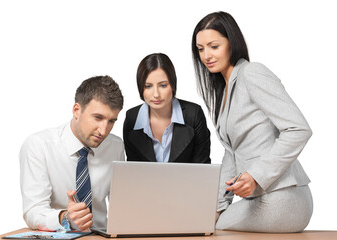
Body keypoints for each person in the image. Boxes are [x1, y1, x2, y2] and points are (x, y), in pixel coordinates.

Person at [191, 12, 313, 232]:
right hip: (259, 200)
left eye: (214, 46)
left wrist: (256, 176)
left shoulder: (252, 73)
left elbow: (298, 129)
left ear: (232, 44)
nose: (206, 55)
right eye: (200, 49)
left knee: (211, 229)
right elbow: (232, 154)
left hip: (283, 197)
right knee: (205, 222)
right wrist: (217, 207)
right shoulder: (226, 90)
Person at [19, 76, 124, 232]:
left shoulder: (115, 146)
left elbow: (121, 206)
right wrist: (65, 217)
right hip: (61, 235)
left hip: (102, 235)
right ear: (76, 110)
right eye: (98, 118)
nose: (103, 130)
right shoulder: (38, 146)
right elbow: (33, 211)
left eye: (111, 121)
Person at [123, 53, 211, 163]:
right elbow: (132, 170)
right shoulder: (132, 118)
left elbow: (202, 167)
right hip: (146, 181)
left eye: (163, 85)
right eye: (148, 86)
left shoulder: (193, 114)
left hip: (187, 180)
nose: (156, 94)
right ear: (141, 88)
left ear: (173, 85)